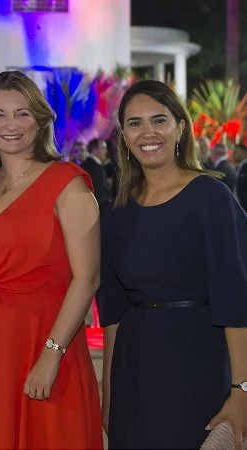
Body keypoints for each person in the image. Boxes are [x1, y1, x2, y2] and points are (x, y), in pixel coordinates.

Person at [0, 71, 103, 449]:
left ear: (39, 119)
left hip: (47, 340)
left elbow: (87, 279)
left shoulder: (68, 183)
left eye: (22, 113)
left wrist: (51, 356)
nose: (11, 125)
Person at [97, 80, 247, 449]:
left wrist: (241, 389)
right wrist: (109, 391)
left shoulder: (211, 197)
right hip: (135, 369)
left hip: (198, 363)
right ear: (124, 136)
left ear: (180, 128)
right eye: (135, 123)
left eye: (159, 120)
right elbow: (113, 312)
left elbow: (236, 300)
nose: (147, 132)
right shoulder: (118, 213)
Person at [81, 138, 111, 210]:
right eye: (103, 148)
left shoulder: (86, 164)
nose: (106, 151)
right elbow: (98, 194)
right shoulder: (95, 167)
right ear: (94, 150)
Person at [234, 143, 247, 211]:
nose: (233, 154)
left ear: (244, 152)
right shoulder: (239, 166)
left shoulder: (245, 167)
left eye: (236, 151)